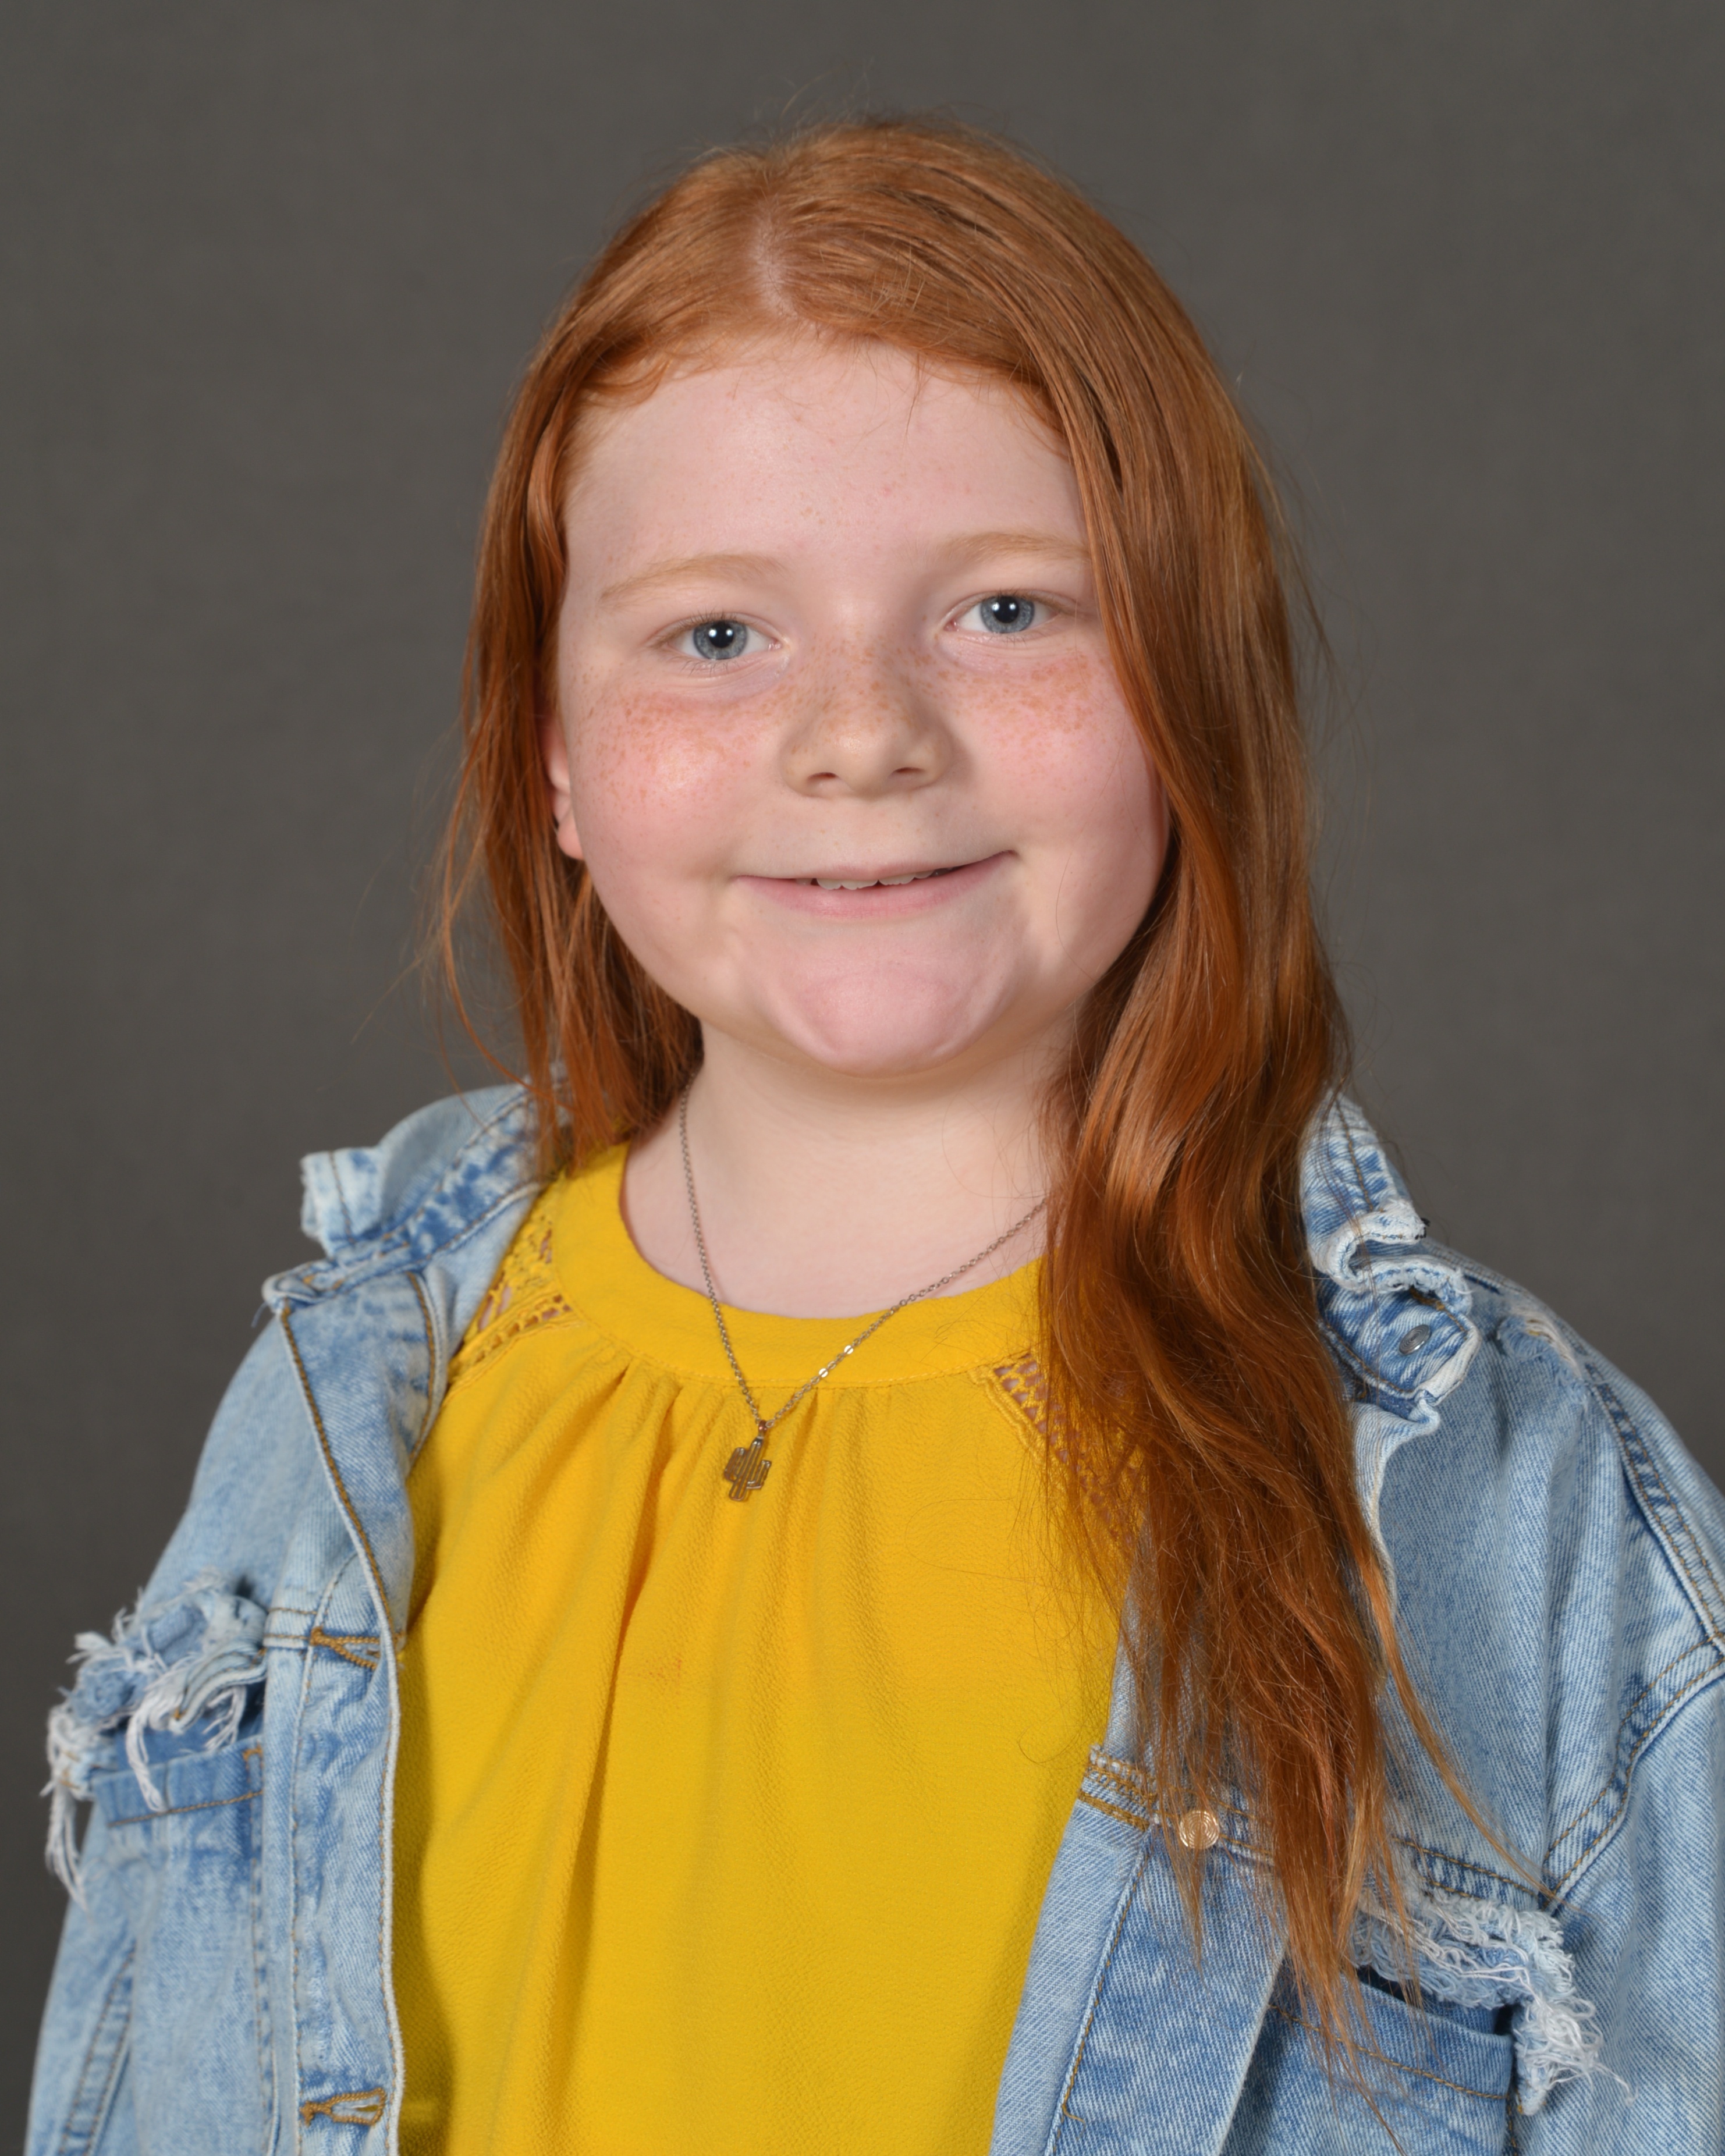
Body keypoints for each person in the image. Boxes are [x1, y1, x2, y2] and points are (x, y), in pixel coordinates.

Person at [26, 118, 1724, 2156]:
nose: (863, 735)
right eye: (715, 636)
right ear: (553, 754)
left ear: (1187, 692)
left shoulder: (1495, 1510)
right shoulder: (333, 1419)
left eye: (1005, 611)